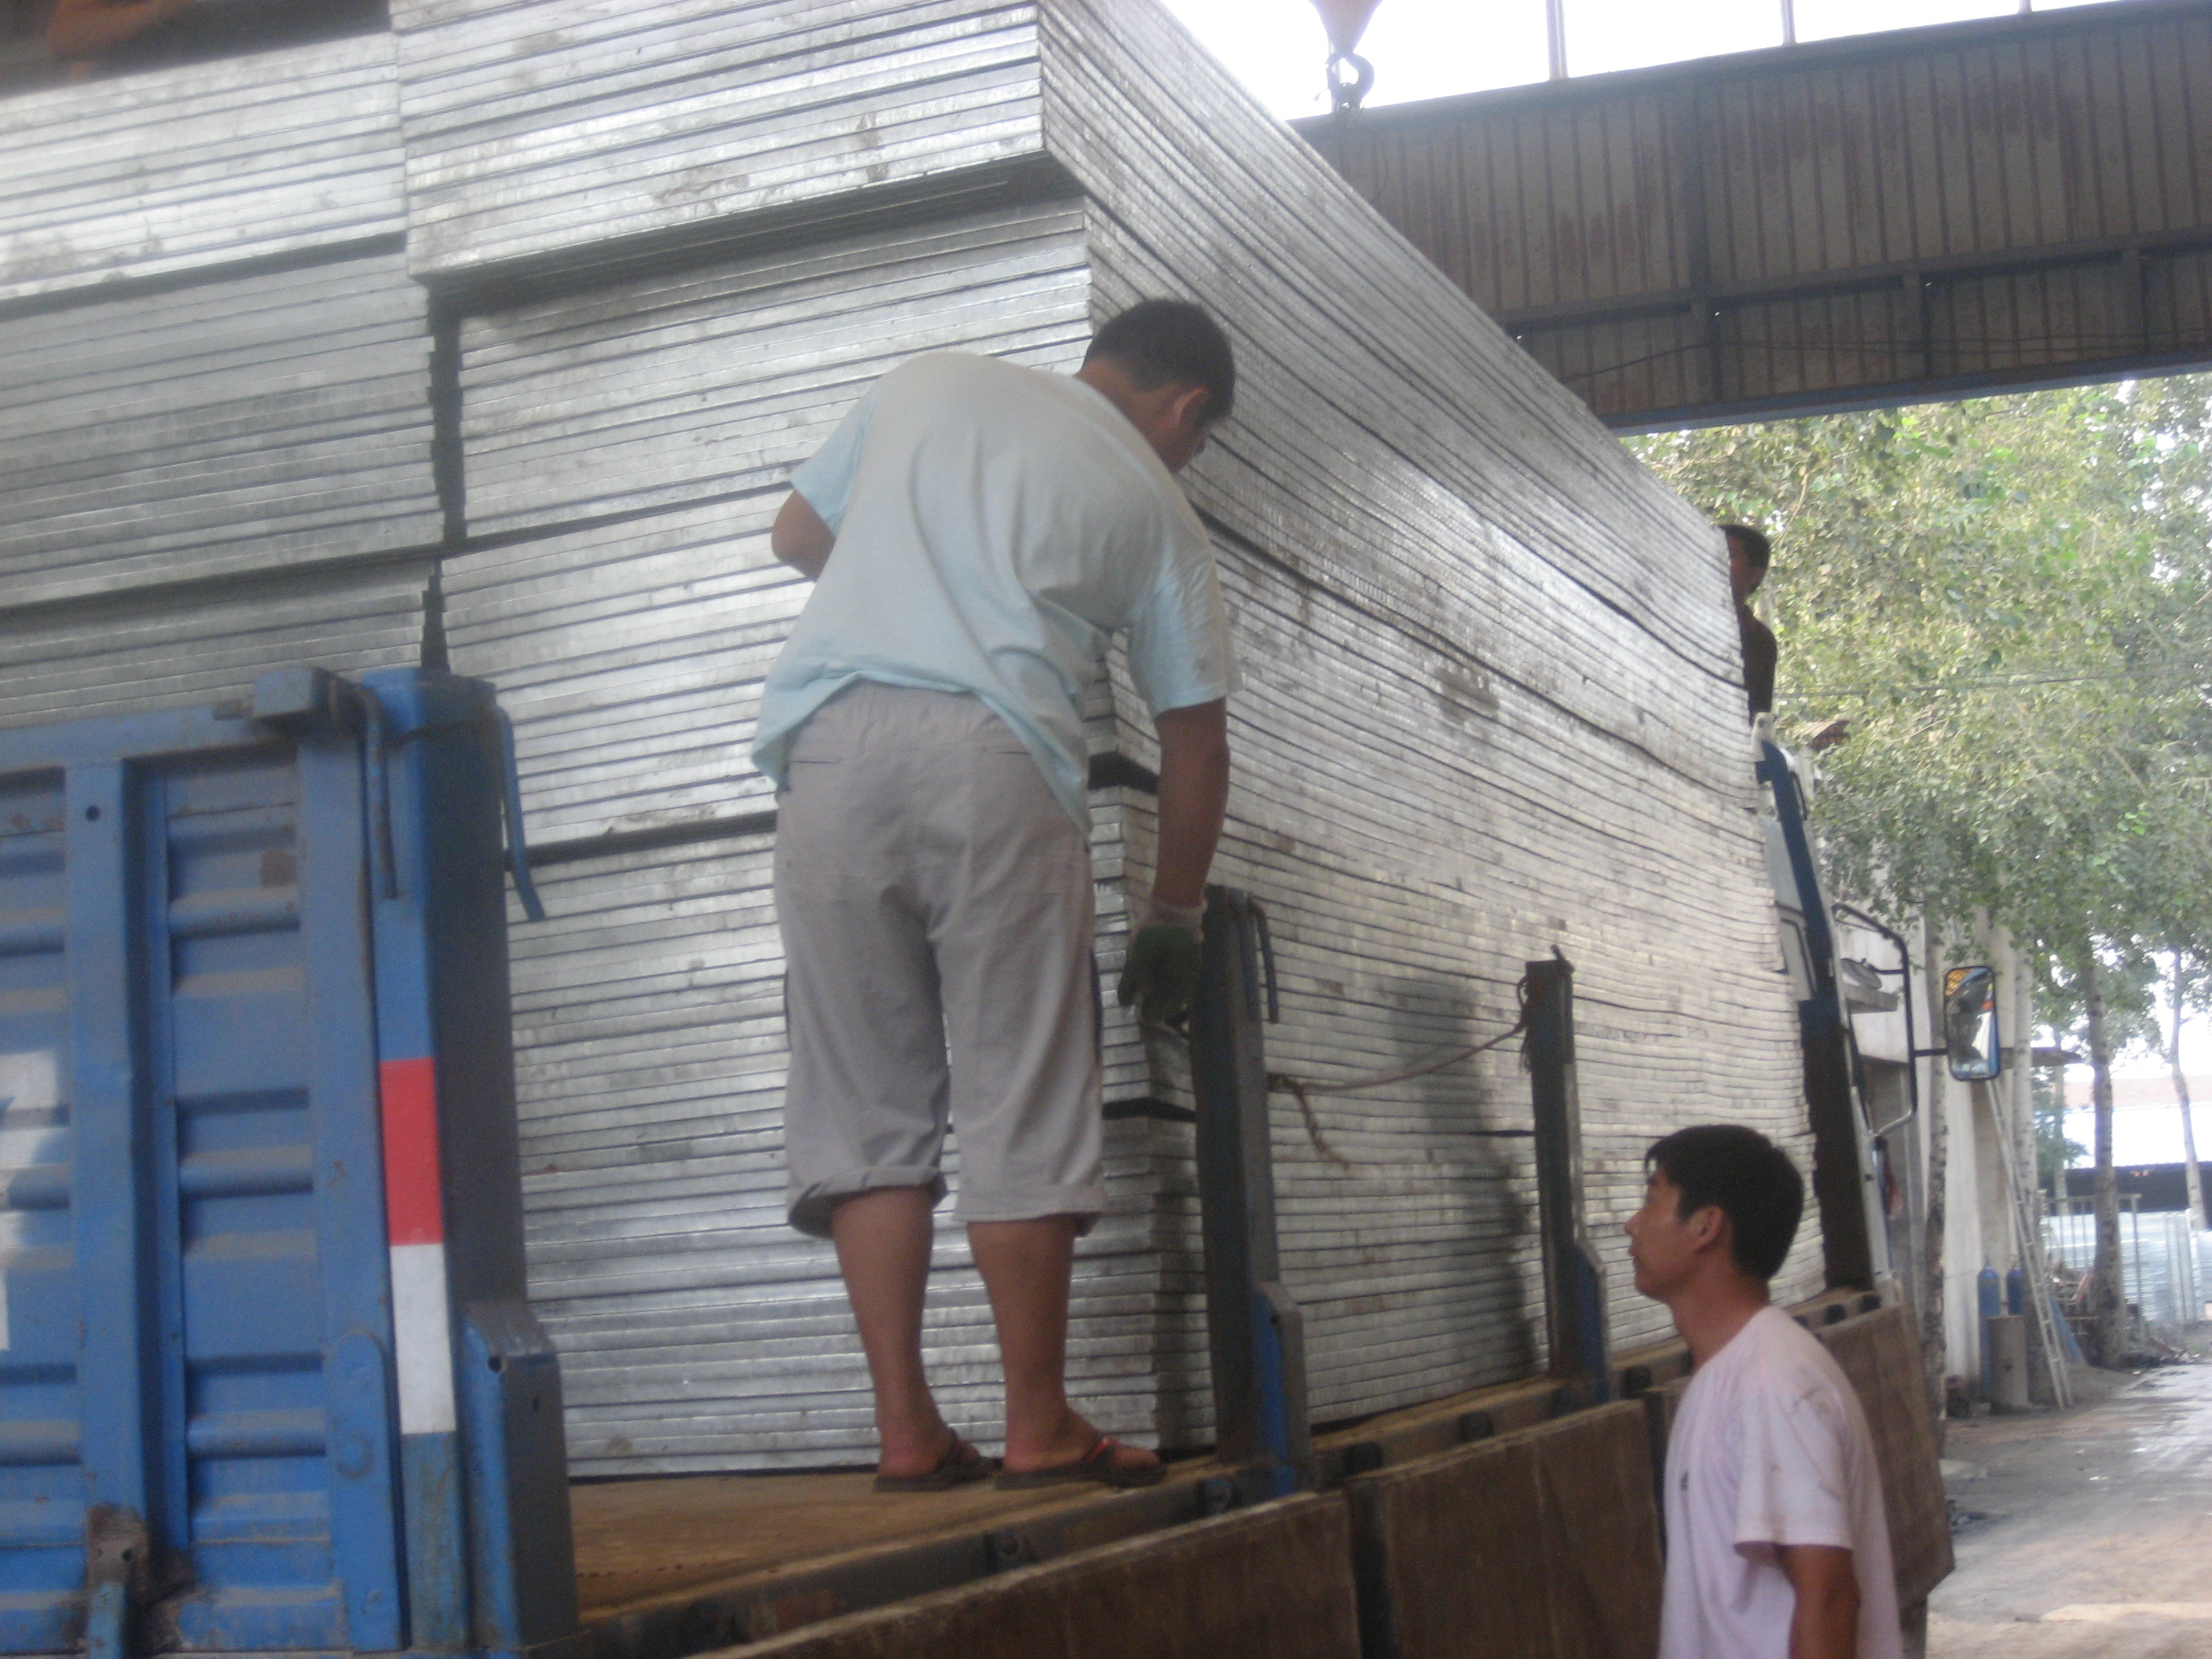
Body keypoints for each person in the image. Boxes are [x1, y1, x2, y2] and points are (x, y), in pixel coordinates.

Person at [754, 301, 1238, 1492]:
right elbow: (1195, 740)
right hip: (995, 757)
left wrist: (904, 575)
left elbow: (796, 534)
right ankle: (1038, 1425)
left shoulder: (927, 378)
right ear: (1184, 409)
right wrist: (1173, 916)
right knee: (1019, 1085)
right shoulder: (1159, 505)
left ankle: (907, 1431)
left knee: (865, 1103)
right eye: (1199, 437)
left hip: (826, 748)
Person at [1627, 1125, 1901, 1659]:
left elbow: (1829, 1598)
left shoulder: (1772, 1384)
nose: (1630, 1224)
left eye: (1651, 1199)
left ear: (1707, 1226)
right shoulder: (1730, 1374)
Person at [1723, 522, 1777, 719]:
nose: (1716, 561)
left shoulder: (1761, 642)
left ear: (1755, 574)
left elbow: (1757, 717)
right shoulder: (1677, 616)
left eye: (1729, 556)